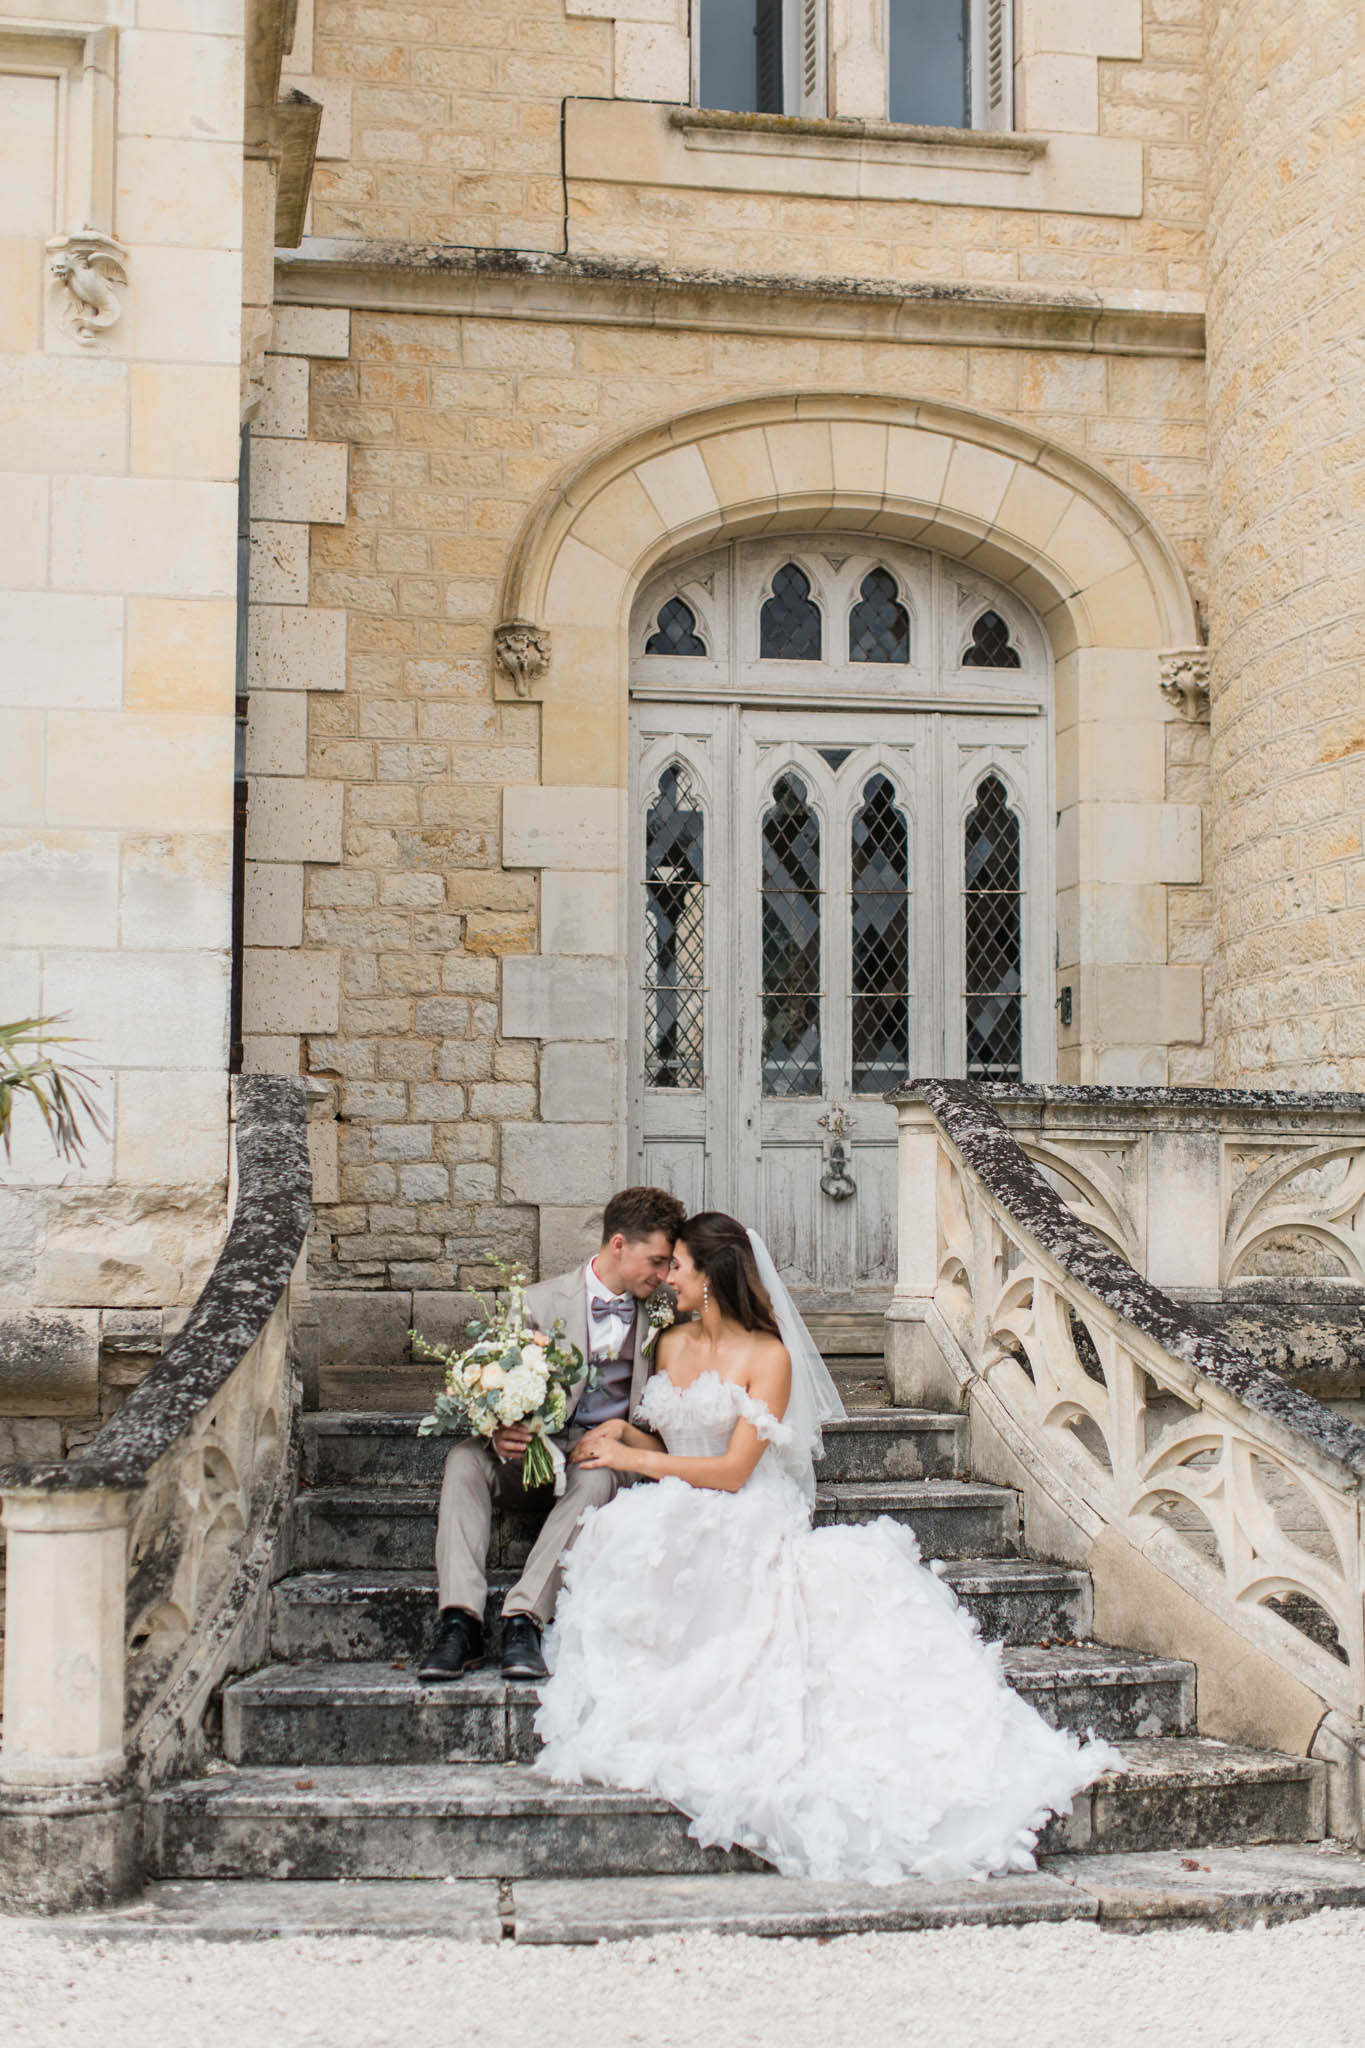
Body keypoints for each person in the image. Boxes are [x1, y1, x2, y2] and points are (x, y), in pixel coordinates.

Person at [533, 1211, 1123, 1885]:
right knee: (629, 1535)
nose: (667, 1278)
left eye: (680, 1268)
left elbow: (729, 1473)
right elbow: (675, 1446)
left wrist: (638, 1466)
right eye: (666, 1268)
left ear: (713, 1276)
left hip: (741, 1510)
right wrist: (622, 1440)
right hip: (680, 1495)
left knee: (671, 1539)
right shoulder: (668, 1345)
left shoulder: (769, 1357)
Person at [419, 1185, 686, 1683]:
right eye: (657, 1260)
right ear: (619, 1245)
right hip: (537, 1455)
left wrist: (622, 1440)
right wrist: (501, 1430)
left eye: (669, 1264)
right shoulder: (538, 1301)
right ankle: (460, 1621)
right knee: (463, 1460)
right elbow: (496, 1383)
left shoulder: (670, 1312)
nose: (664, 1274)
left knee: (596, 1475)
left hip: (606, 1461)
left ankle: (523, 1618)